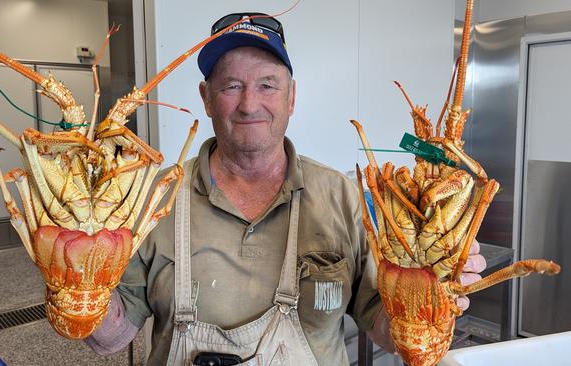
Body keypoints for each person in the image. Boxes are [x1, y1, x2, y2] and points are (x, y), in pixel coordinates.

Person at [84, 12, 486, 365]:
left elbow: (382, 326)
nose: (249, 104)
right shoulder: (153, 195)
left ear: (292, 97)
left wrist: (427, 301)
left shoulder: (343, 195)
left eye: (268, 85)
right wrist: (74, 272)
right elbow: (112, 338)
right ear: (206, 99)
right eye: (231, 86)